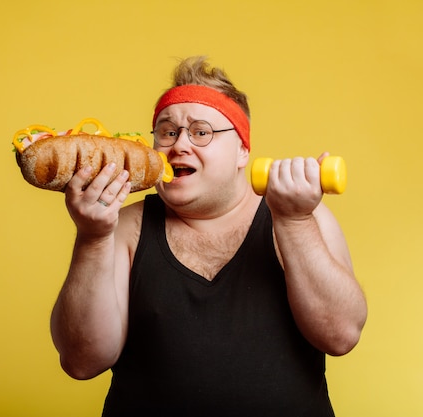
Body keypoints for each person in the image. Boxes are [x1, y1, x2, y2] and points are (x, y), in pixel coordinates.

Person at [50, 56, 367, 417]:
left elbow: (341, 336)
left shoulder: (299, 214)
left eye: (201, 132)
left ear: (243, 151)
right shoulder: (122, 227)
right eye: (167, 132)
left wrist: (294, 222)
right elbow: (81, 361)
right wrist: (91, 238)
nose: (179, 145)